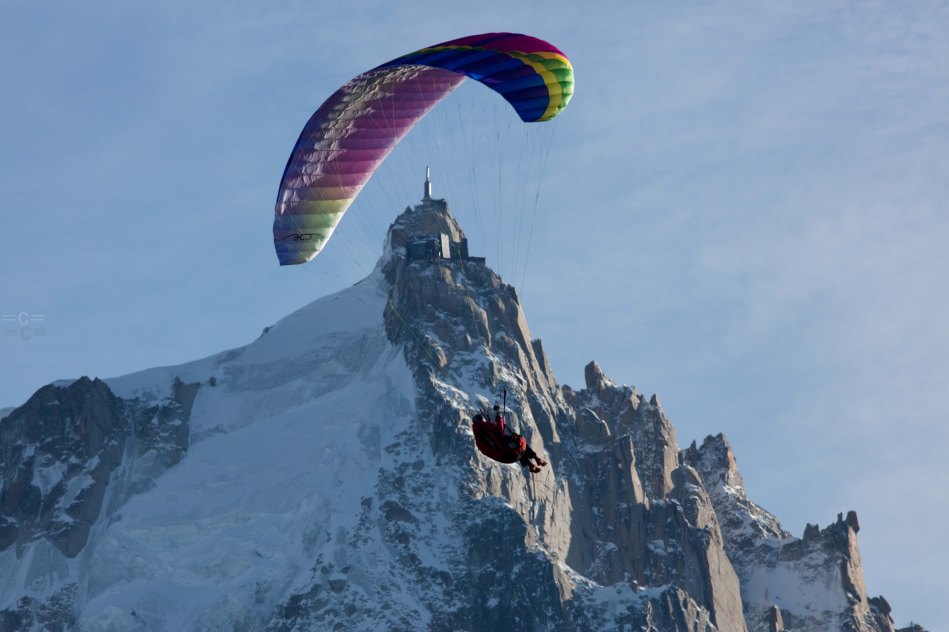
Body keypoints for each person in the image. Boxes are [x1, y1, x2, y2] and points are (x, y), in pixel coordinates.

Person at [471, 406, 547, 473]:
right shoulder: (482, 424)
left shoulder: (478, 439)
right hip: (508, 452)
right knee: (519, 443)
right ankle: (536, 458)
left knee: (515, 449)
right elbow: (499, 428)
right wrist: (498, 415)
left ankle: (530, 465)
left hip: (505, 458)